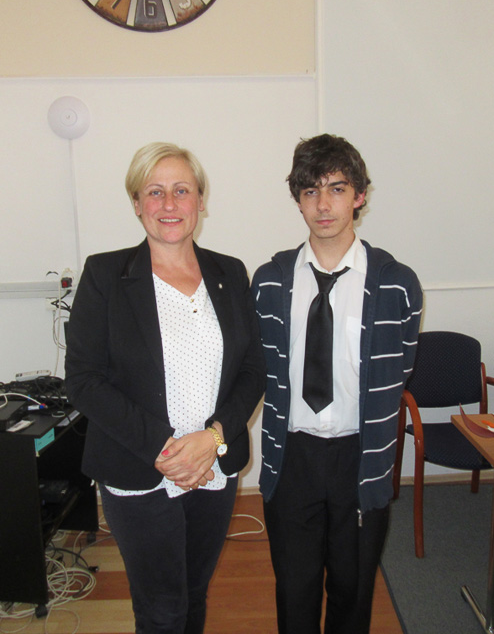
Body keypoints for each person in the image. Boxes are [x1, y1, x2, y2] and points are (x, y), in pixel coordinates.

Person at [65, 142, 265, 634]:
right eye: (154, 192)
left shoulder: (230, 272)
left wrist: (212, 438)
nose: (169, 203)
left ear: (200, 200)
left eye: (182, 190)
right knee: (161, 610)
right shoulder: (105, 275)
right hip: (140, 469)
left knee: (194, 595)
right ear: (136, 203)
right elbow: (84, 380)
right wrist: (168, 448)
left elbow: (253, 369)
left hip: (214, 467)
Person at [251, 134, 423, 634]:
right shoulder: (269, 282)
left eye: (337, 188)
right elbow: (259, 368)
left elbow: (399, 367)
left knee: (353, 590)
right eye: (310, 191)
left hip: (360, 457)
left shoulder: (397, 284)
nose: (323, 205)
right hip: (292, 457)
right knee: (295, 589)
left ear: (359, 195)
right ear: (298, 200)